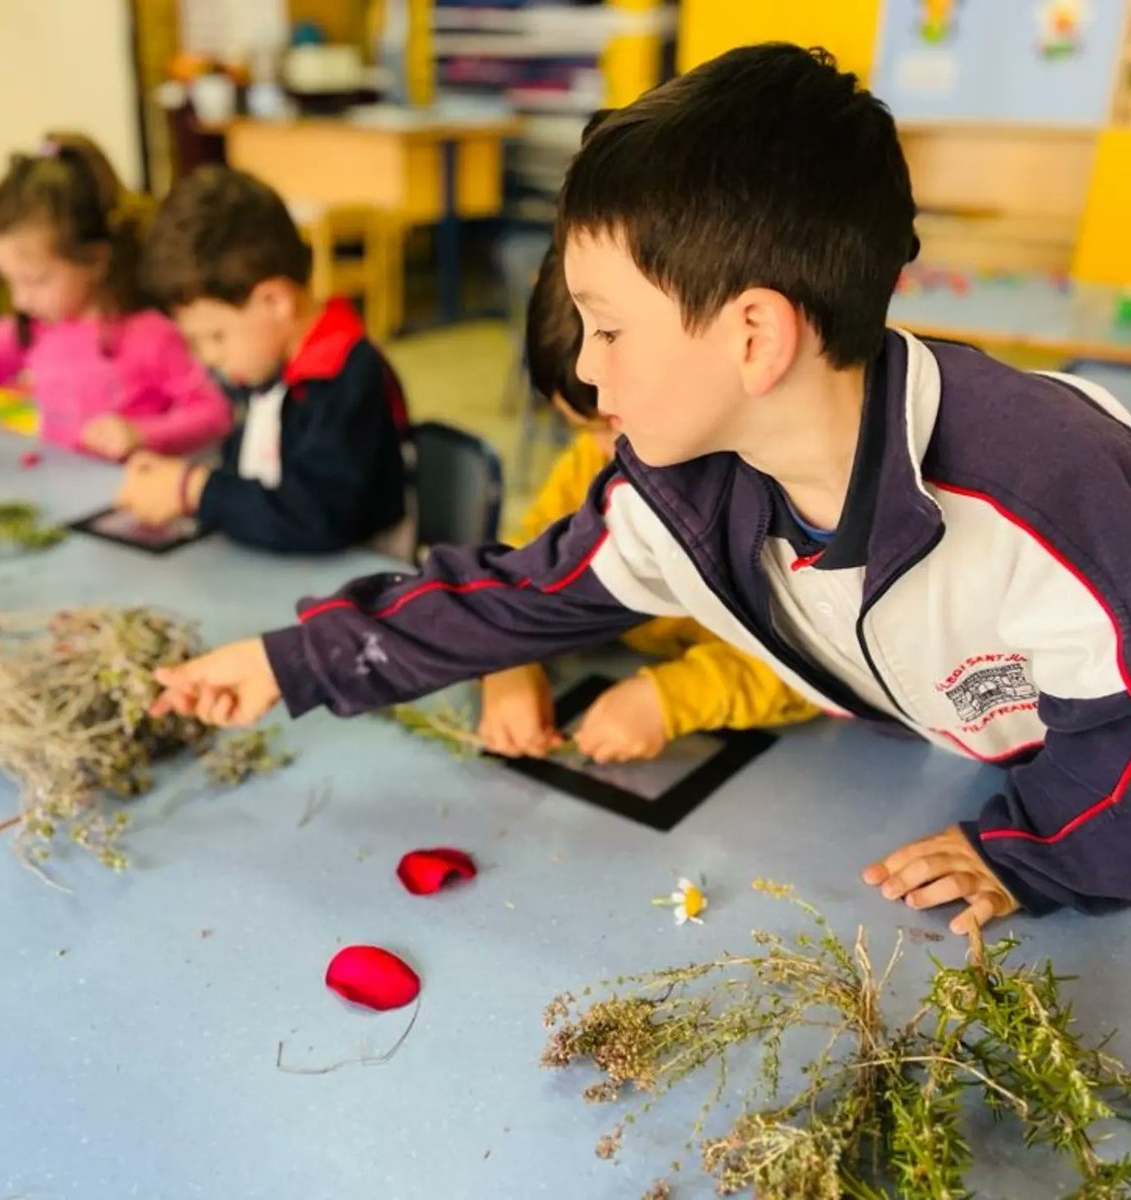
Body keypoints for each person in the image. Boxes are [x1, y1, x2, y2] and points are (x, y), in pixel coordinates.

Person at [150, 45, 1131, 934]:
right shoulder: (681, 492)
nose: (590, 371)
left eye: (608, 329)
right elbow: (512, 597)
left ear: (755, 337)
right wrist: (290, 661)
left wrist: (1033, 853)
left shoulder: (1055, 487)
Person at [478, 242, 817, 762]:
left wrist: (670, 699)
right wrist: (507, 658)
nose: (606, 452)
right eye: (585, 429)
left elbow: (822, 659)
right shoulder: (593, 462)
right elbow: (528, 563)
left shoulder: (772, 485)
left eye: (615, 425)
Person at [115, 166, 410, 556]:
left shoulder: (347, 374)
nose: (209, 357)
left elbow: (317, 518)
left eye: (216, 336)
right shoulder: (265, 364)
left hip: (360, 578)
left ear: (275, 302)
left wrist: (196, 489)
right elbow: (250, 475)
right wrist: (176, 482)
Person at [0, 133, 230, 458]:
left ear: (95, 260)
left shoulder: (151, 335)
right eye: (9, 282)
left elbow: (213, 413)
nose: (20, 300)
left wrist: (141, 434)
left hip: (129, 486)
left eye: (35, 281)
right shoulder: (33, 329)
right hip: (61, 481)